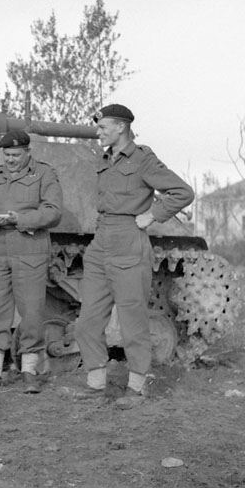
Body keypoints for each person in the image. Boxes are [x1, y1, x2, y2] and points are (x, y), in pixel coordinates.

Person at [74, 104, 194, 409]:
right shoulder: (105, 159)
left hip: (129, 240)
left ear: (121, 127)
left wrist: (152, 215)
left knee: (132, 321)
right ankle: (95, 385)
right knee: (87, 321)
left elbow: (183, 192)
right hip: (101, 240)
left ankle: (137, 388)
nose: (98, 132)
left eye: (103, 127)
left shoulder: (143, 159)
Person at [0, 130, 63, 396]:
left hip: (30, 248)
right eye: (7, 155)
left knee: (31, 311)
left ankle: (30, 371)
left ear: (28, 152)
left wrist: (19, 219)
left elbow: (53, 211)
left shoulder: (44, 174)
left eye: (15, 155)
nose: (10, 160)